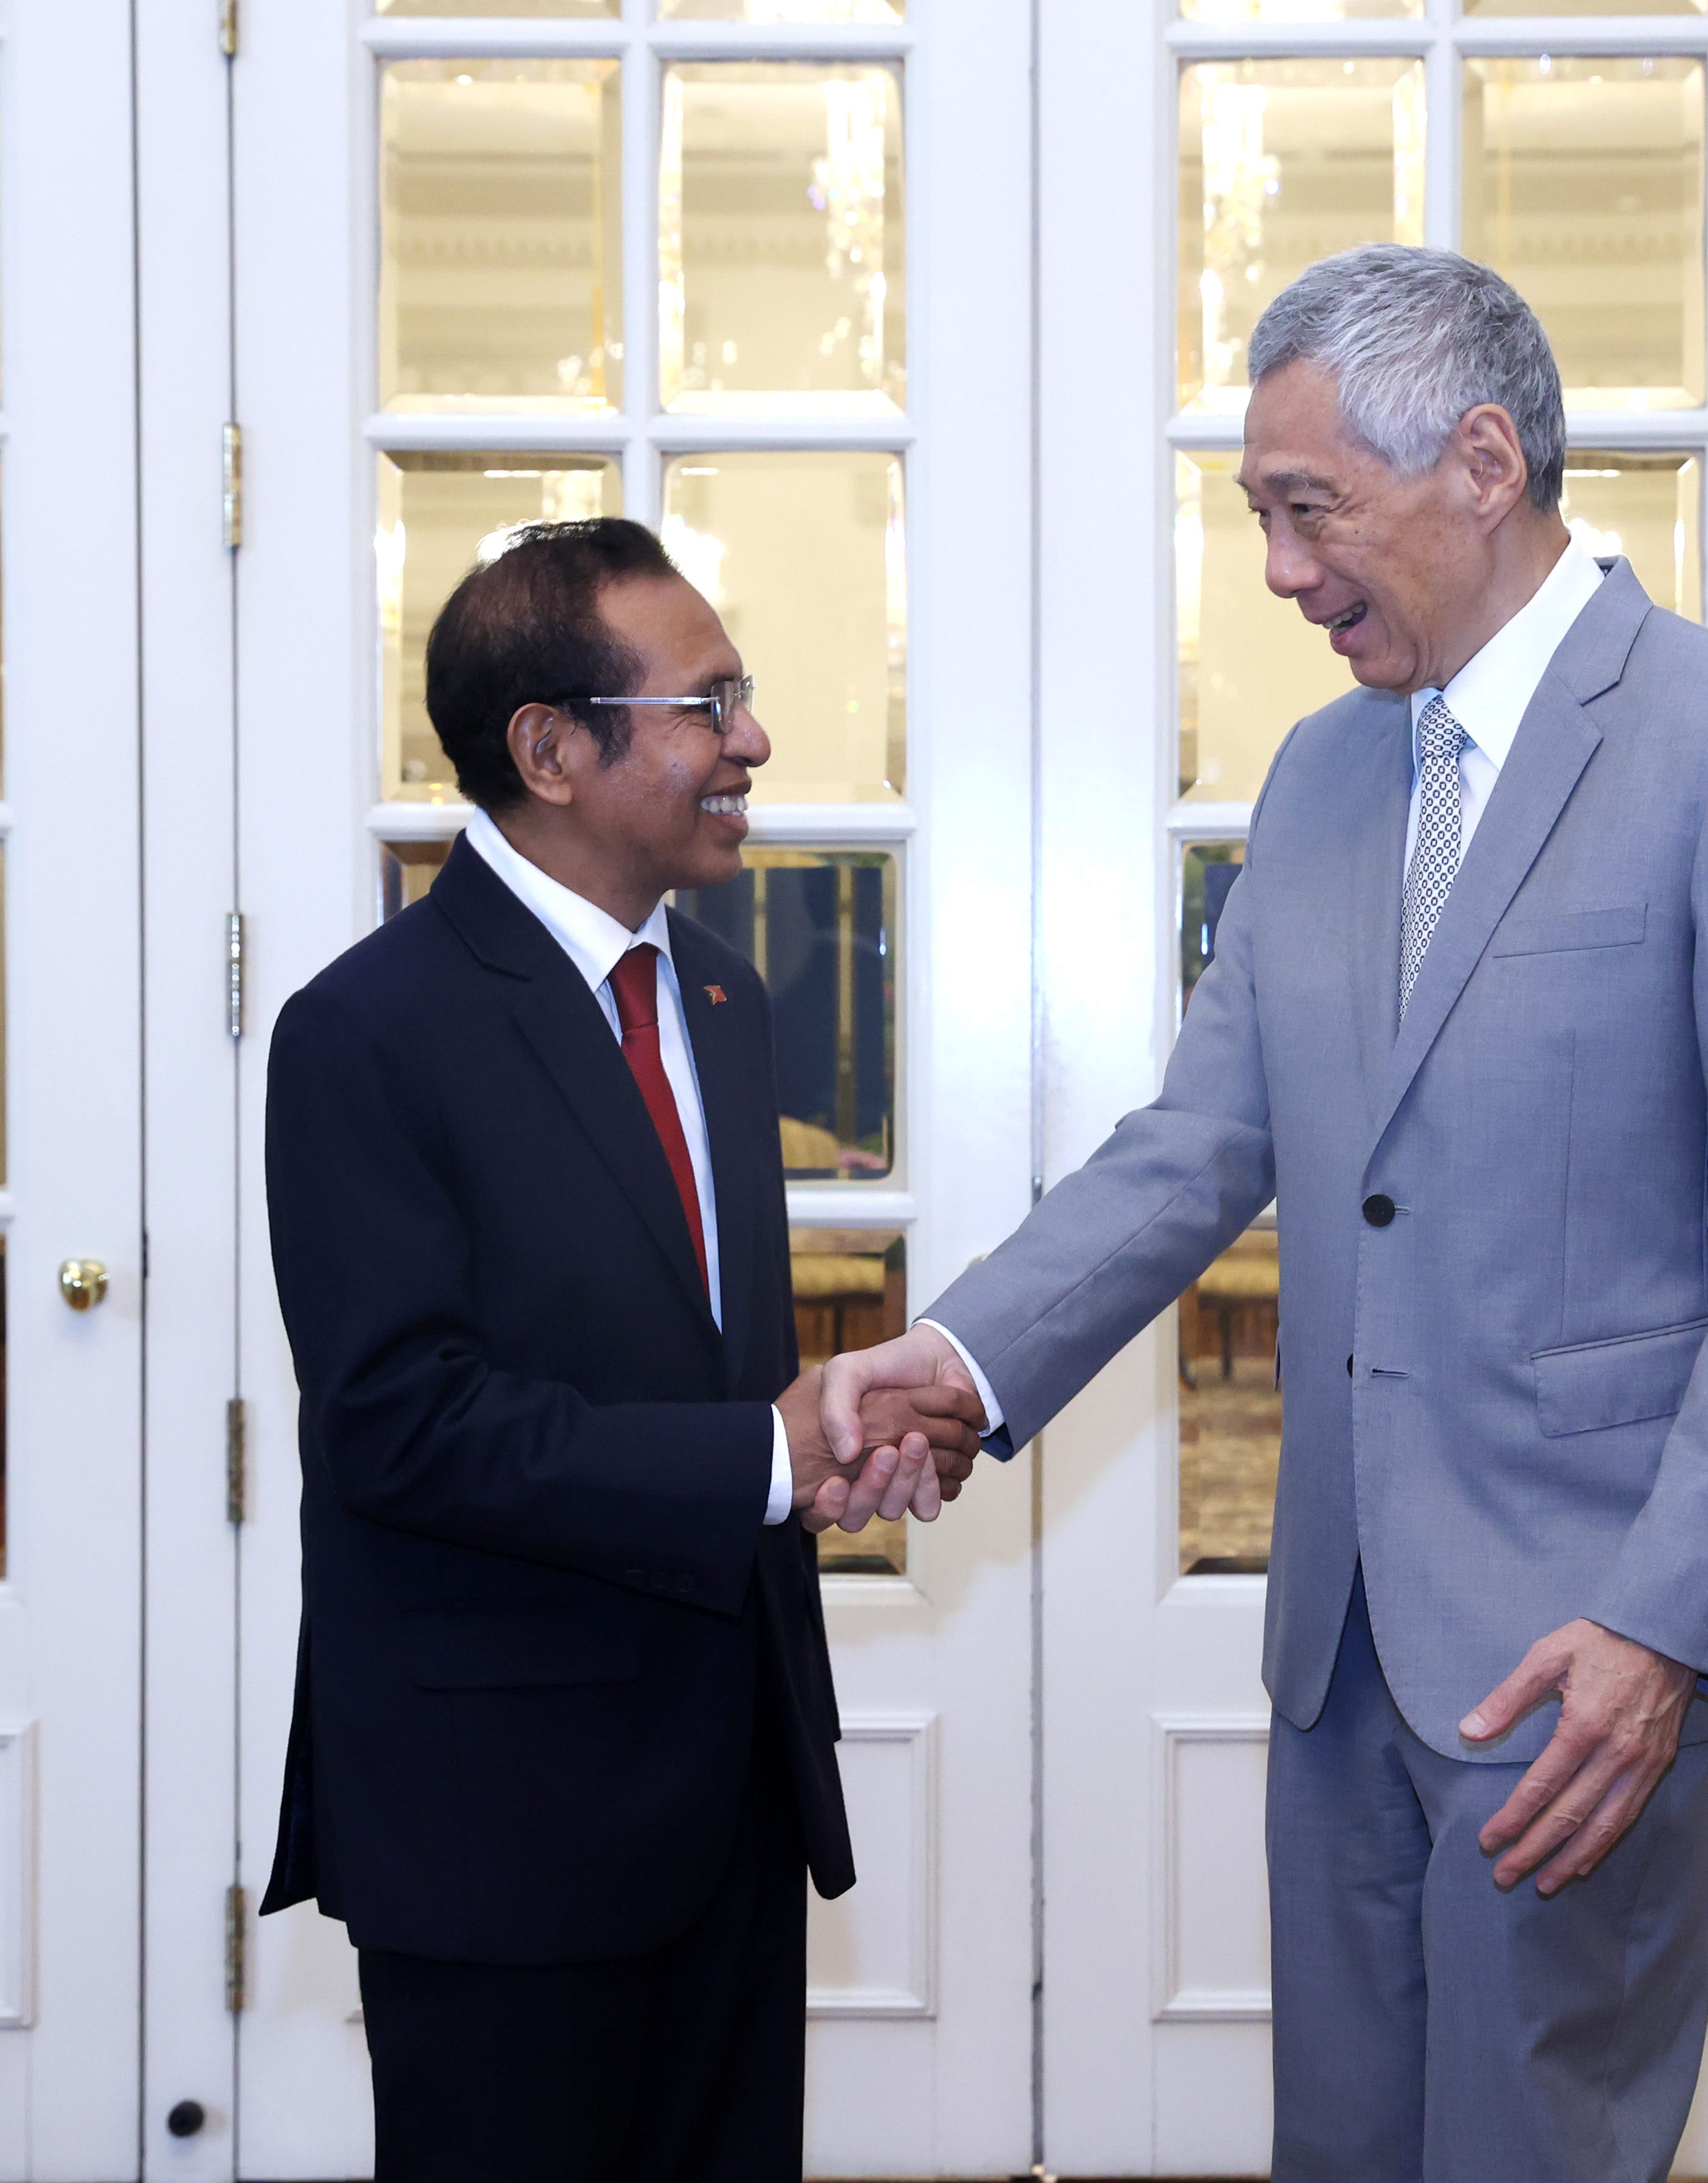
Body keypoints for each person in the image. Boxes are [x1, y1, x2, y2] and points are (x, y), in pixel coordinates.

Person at [826, 247, 1708, 2181]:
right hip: (1336, 1651)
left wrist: (1663, 1624)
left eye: (1305, 509)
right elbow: (1195, 1143)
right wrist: (960, 1360)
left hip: (1584, 1658)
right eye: (1257, 515)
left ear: (1482, 462)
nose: (1278, 572)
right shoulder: (1326, 777)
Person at [257, 518, 984, 2182]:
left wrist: (841, 1440)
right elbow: (398, 1424)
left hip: (729, 1779)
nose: (752, 742)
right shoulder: (366, 1033)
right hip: (499, 1811)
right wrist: (763, 1452)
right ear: (551, 750)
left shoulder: (720, 1005)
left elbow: (705, 1380)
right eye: (706, 702)